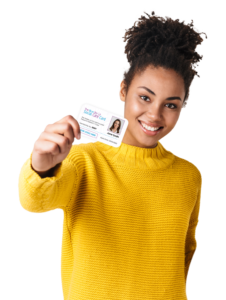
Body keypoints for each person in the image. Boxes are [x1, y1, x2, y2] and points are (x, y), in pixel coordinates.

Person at [17, 8, 208, 300]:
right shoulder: (84, 161)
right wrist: (41, 165)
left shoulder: (189, 176)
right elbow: (34, 202)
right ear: (123, 89)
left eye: (171, 104)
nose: (155, 115)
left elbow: (185, 254)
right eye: (145, 97)